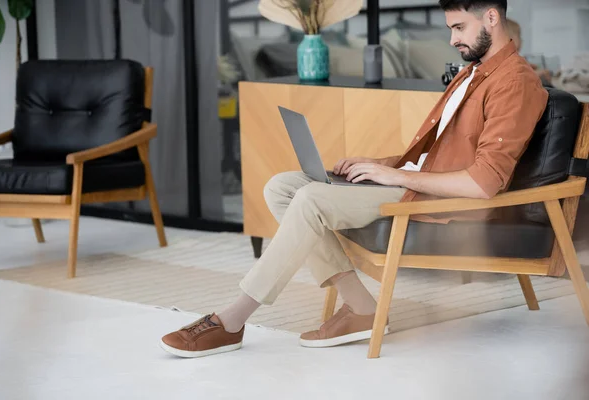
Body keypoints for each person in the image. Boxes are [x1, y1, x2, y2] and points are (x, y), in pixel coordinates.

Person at [159, 0, 549, 359]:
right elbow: (436, 154)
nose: (453, 39)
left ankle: (232, 319)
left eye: (460, 28)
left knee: (310, 199)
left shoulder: (514, 81)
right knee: (281, 187)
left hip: (442, 203)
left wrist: (391, 175)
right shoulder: (472, 74)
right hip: (413, 183)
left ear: (492, 18)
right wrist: (375, 165)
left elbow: (483, 183)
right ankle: (361, 307)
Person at [507, 17, 554, 86]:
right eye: (519, 36)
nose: (521, 40)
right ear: (510, 38)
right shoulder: (511, 60)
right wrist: (538, 73)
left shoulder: (516, 59)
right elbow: (519, 77)